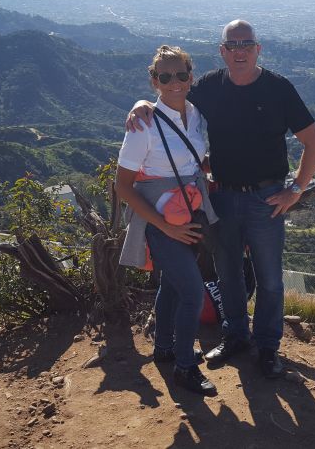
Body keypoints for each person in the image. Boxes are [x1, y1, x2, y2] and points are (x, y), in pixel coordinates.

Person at [126, 20, 315, 378]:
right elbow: (171, 96)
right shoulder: (209, 88)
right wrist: (142, 103)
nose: (240, 51)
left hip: (267, 197)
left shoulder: (278, 88)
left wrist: (295, 190)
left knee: (269, 278)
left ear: (258, 49)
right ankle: (236, 335)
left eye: (247, 44)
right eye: (232, 45)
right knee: (228, 271)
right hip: (222, 196)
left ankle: (267, 347)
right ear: (222, 51)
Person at [115, 45, 217, 396]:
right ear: (154, 80)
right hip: (161, 220)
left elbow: (195, 162)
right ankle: (185, 368)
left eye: (181, 75)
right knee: (191, 290)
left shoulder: (196, 115)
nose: (174, 82)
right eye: (165, 77)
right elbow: (123, 187)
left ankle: (164, 348)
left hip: (188, 213)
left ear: (191, 76)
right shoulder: (142, 124)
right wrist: (165, 227)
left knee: (173, 285)